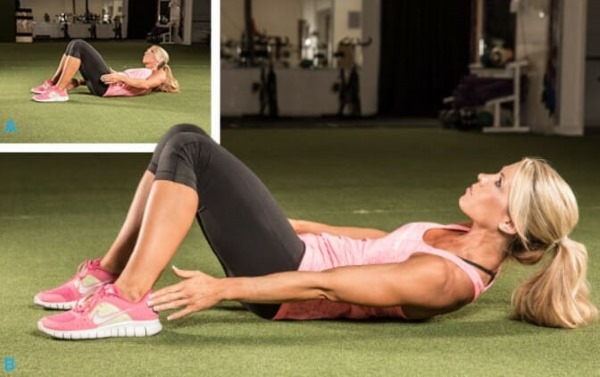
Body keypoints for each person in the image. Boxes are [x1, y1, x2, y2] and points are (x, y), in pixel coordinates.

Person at [35, 124, 598, 340]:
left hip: (286, 278)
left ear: (508, 221)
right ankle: (105, 275)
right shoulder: (455, 237)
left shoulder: (445, 281)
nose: (482, 176)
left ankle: (128, 300)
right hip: (295, 251)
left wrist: (220, 289)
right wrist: (301, 223)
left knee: (190, 149)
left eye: (496, 180)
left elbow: (328, 287)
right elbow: (381, 241)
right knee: (177, 138)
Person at [31, 39, 179, 103]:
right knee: (73, 45)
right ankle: (53, 83)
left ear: (157, 57)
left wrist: (121, 78)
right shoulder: (144, 70)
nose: (145, 53)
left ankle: (58, 91)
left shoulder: (161, 71)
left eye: (148, 51)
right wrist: (81, 82)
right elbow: (125, 79)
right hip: (101, 85)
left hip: (106, 88)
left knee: (79, 45)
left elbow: (146, 85)